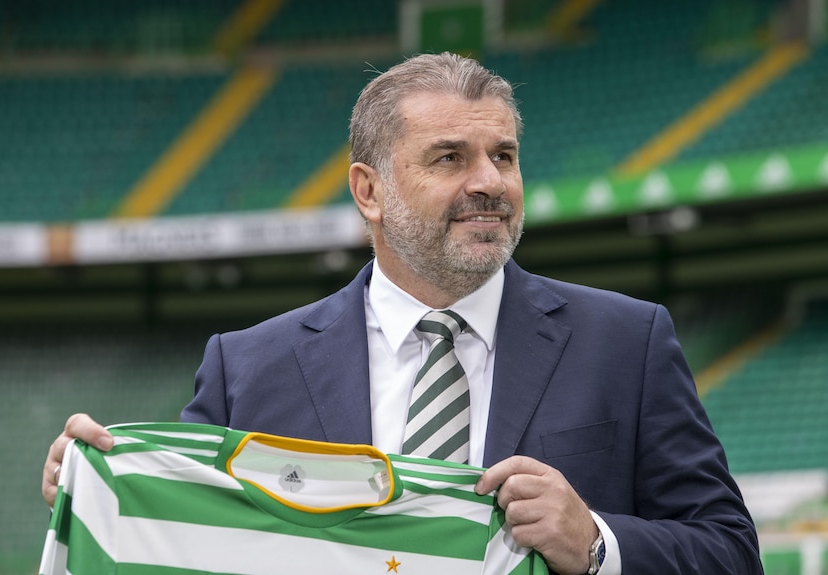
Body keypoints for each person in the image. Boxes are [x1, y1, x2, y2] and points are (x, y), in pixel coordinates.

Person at [42, 53, 762, 575]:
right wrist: (96, 481)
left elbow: (730, 551)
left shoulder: (627, 342)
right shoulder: (247, 365)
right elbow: (183, 535)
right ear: (369, 190)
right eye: (449, 157)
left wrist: (599, 542)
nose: (489, 183)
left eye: (503, 155)